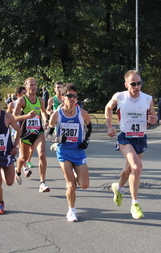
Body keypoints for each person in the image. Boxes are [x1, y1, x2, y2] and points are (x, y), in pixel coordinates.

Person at [105, 70, 157, 219]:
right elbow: (108, 108)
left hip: (140, 138)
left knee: (129, 169)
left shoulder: (147, 98)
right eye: (133, 84)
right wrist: (109, 125)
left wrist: (153, 119)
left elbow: (152, 116)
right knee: (137, 167)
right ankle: (135, 204)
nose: (136, 86)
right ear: (126, 85)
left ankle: (118, 187)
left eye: (139, 83)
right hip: (125, 138)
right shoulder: (120, 97)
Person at [48, 83, 92, 222]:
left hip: (78, 151)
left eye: (75, 96)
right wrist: (57, 139)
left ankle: (74, 173)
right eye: (69, 96)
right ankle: (71, 210)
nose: (72, 99)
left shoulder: (82, 114)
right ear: (62, 97)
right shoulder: (57, 114)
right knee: (71, 185)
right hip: (64, 152)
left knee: (84, 185)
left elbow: (89, 129)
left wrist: (86, 141)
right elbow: (48, 134)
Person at [13, 77, 50, 192]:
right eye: (31, 85)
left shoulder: (40, 100)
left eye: (35, 85)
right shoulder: (22, 100)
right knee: (23, 158)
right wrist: (26, 116)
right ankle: (18, 171)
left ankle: (42, 183)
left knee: (42, 154)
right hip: (25, 133)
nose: (33, 87)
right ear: (26, 87)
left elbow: (43, 112)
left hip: (38, 131)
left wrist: (45, 120)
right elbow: (14, 117)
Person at [7, 86, 35, 168]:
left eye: (26, 92)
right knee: (21, 150)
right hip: (18, 129)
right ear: (18, 94)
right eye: (23, 93)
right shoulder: (12, 104)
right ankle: (24, 167)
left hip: (29, 128)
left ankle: (27, 161)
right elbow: (8, 115)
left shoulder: (29, 102)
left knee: (32, 147)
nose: (26, 94)